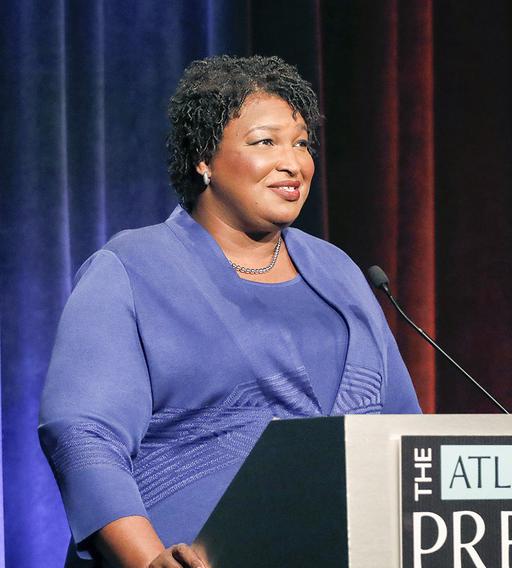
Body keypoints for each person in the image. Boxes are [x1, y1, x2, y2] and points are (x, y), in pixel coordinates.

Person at [39, 55, 422, 568]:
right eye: (266, 142)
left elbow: (402, 434)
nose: (294, 163)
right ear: (204, 158)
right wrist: (149, 560)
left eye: (302, 143)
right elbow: (83, 435)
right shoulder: (133, 269)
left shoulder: (339, 273)